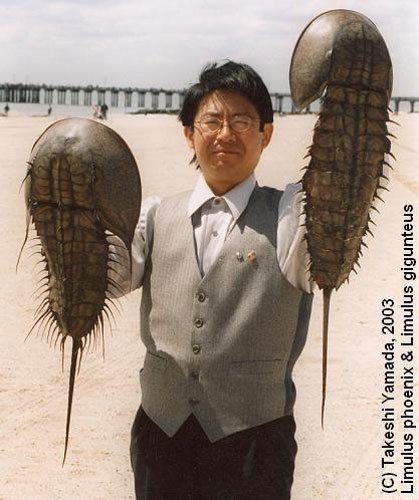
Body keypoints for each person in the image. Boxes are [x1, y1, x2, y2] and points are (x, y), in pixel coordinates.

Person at [116, 61, 314, 500]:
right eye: (212, 121)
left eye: (242, 121)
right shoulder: (153, 215)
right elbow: (105, 281)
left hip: (255, 441)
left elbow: (332, 239)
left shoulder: (293, 217)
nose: (226, 134)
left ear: (267, 133)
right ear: (189, 133)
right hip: (160, 434)